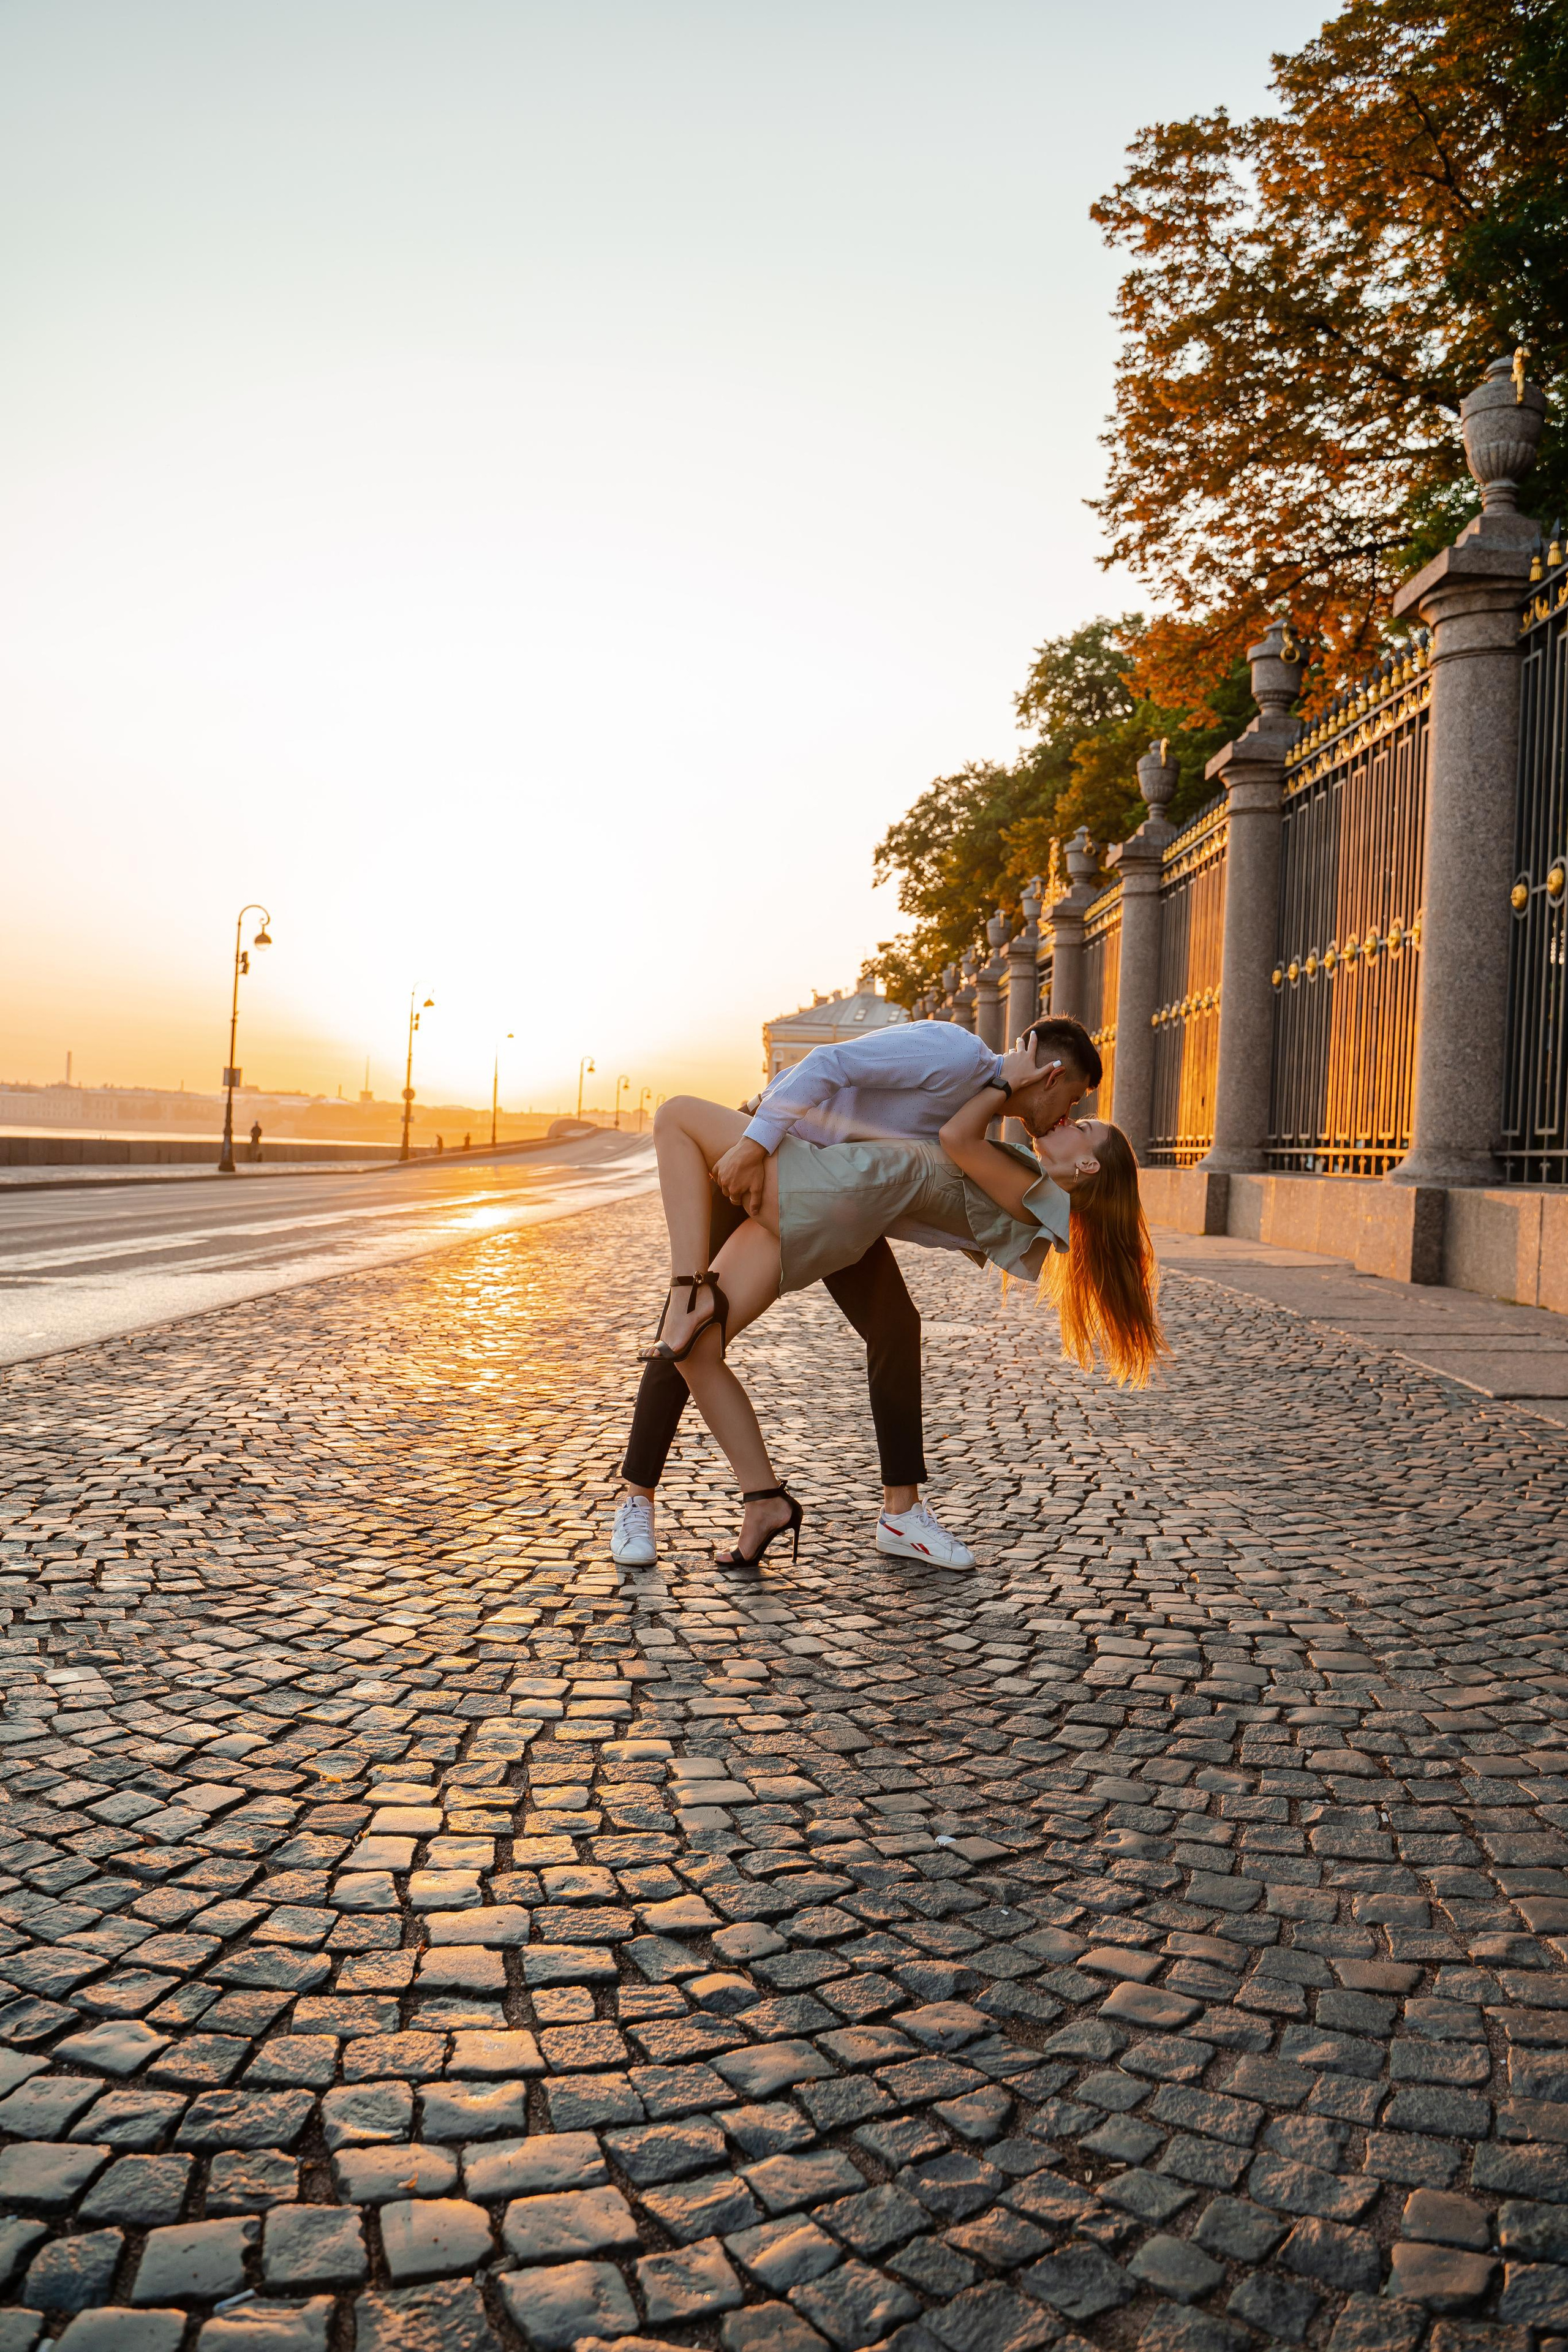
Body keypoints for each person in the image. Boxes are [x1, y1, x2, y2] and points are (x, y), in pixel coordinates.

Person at [611, 1014, 1101, 1572]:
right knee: (688, 1318)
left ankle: (900, 1513)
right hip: (766, 1153)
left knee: (894, 1326)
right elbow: (828, 1064)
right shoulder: (955, 1055)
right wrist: (754, 1144)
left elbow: (912, 1180)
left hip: (837, 1203)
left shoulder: (981, 1114)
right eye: (1074, 1099)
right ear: (1053, 1073)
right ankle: (636, 1500)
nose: (1068, 1115)